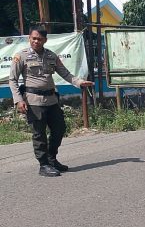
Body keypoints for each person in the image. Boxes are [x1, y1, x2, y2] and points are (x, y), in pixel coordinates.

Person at [8, 26, 94, 177]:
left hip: (52, 100)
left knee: (59, 129)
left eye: (39, 39)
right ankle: (43, 165)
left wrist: (79, 82)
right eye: (33, 38)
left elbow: (65, 73)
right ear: (29, 38)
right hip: (33, 101)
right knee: (39, 134)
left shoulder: (51, 56)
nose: (36, 41)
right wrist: (18, 100)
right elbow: (13, 80)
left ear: (45, 40)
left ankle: (52, 158)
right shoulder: (20, 56)